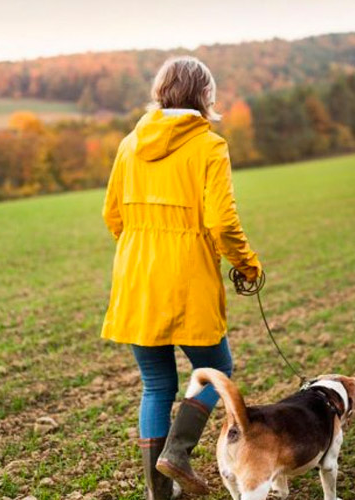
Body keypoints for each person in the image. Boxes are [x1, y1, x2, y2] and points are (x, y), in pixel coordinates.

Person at [100, 55, 262, 499]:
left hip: (136, 277)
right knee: (216, 370)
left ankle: (159, 492)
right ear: (205, 96)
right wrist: (246, 262)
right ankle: (178, 450)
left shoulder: (130, 143)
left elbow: (112, 215)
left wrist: (141, 248)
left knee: (156, 385)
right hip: (187, 276)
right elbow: (223, 222)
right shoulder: (209, 146)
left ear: (161, 92)